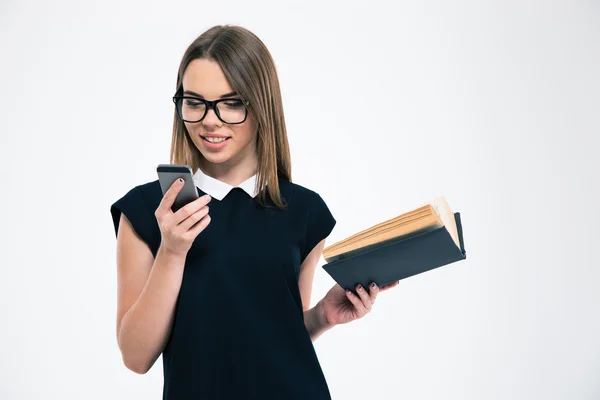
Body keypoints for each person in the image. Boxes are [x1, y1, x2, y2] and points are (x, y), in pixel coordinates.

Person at [109, 24, 399, 400]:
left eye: (231, 103)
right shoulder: (148, 210)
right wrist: (173, 250)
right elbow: (135, 356)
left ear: (261, 106)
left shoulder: (304, 211)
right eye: (194, 102)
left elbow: (269, 334)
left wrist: (319, 318)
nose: (209, 120)